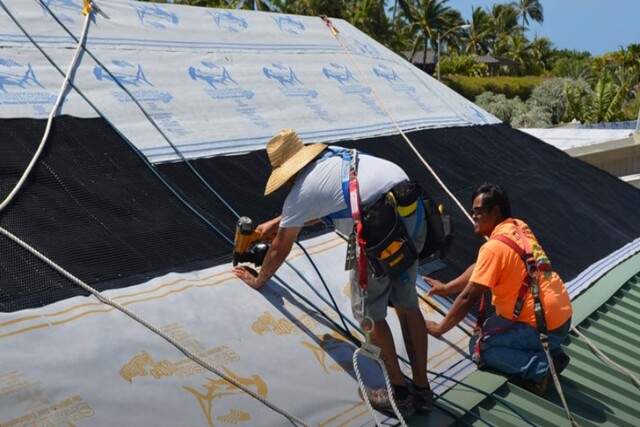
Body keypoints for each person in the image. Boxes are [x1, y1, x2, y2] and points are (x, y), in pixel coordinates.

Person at [233, 129, 432, 418]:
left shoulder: (300, 193)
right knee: (406, 303)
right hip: (410, 211)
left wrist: (258, 279)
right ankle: (423, 391)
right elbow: (329, 202)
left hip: (379, 227)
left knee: (369, 313)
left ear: (287, 174)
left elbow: (279, 250)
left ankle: (399, 394)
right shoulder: (333, 157)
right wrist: (280, 221)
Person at [424, 183, 572, 396]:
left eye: (478, 211)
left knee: (479, 347)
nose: (473, 216)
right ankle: (553, 353)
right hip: (560, 319)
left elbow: (467, 298)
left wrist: (440, 328)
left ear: (495, 211)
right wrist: (447, 288)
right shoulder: (519, 227)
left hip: (539, 326)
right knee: (491, 326)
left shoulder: (493, 248)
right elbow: (480, 268)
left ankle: (541, 369)